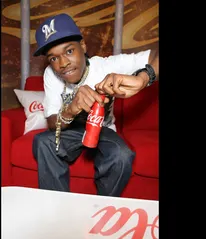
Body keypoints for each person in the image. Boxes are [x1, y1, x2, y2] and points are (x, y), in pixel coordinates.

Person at [32, 13, 158, 197]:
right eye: (53, 58)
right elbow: (53, 123)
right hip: (71, 130)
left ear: (82, 46)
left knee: (122, 155)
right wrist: (71, 109)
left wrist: (143, 78)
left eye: (69, 51)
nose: (63, 64)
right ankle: (55, 207)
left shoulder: (106, 66)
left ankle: (103, 208)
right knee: (43, 142)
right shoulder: (51, 75)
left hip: (104, 130)